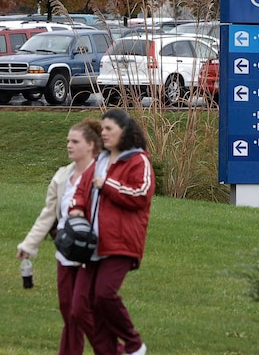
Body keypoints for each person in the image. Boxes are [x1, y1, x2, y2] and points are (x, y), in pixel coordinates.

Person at [69, 108, 155, 355]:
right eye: (102, 128)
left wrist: (107, 184)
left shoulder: (139, 161)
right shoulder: (100, 161)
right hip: (90, 245)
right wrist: (76, 209)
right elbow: (81, 190)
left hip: (120, 243)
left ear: (124, 132)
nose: (103, 133)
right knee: (80, 309)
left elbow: (141, 194)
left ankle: (134, 345)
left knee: (104, 296)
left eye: (109, 129)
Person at [17, 118, 105, 355]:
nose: (69, 145)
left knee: (80, 311)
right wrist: (28, 245)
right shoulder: (61, 176)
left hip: (93, 253)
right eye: (68, 140)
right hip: (66, 251)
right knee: (69, 311)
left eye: (74, 141)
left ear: (90, 145)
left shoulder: (102, 175)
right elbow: (48, 215)